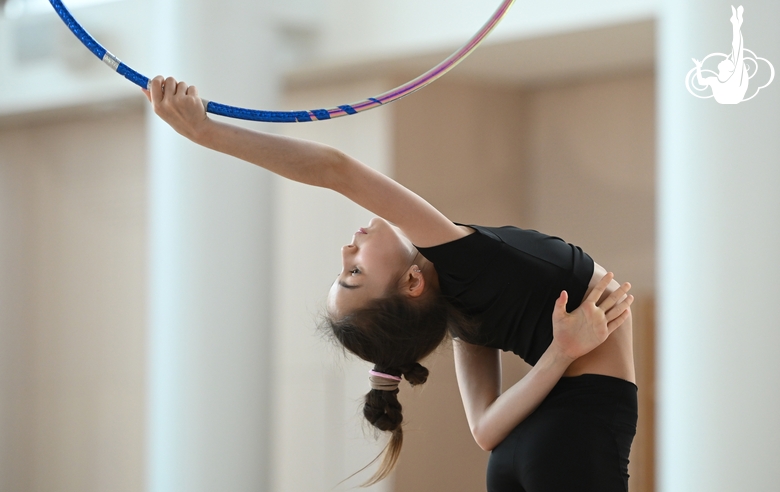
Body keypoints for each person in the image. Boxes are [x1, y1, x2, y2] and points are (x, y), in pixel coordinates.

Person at [143, 75, 637, 492]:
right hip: (574, 437)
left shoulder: (460, 309)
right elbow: (333, 169)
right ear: (411, 284)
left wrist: (560, 354)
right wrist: (205, 134)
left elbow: (486, 431)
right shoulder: (462, 260)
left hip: (525, 449)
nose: (346, 251)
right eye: (354, 274)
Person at [693, 5, 749, 104]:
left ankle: (736, 23)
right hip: (729, 99)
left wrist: (736, 26)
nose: (725, 59)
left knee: (736, 49)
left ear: (729, 69)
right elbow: (701, 82)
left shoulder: (734, 79)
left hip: (732, 98)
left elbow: (737, 49)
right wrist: (698, 67)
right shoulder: (715, 80)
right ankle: (736, 23)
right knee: (736, 49)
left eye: (728, 61)